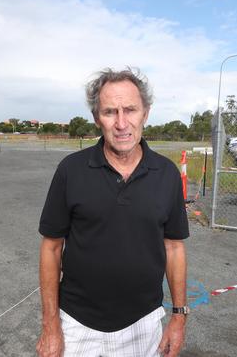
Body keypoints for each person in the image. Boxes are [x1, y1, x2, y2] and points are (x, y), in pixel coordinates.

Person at [36, 67, 190, 357]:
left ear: (145, 113)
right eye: (110, 112)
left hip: (144, 326)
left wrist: (179, 317)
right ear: (97, 119)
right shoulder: (71, 171)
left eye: (130, 110)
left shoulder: (166, 174)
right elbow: (51, 248)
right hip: (77, 325)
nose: (121, 123)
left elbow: (174, 248)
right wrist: (50, 326)